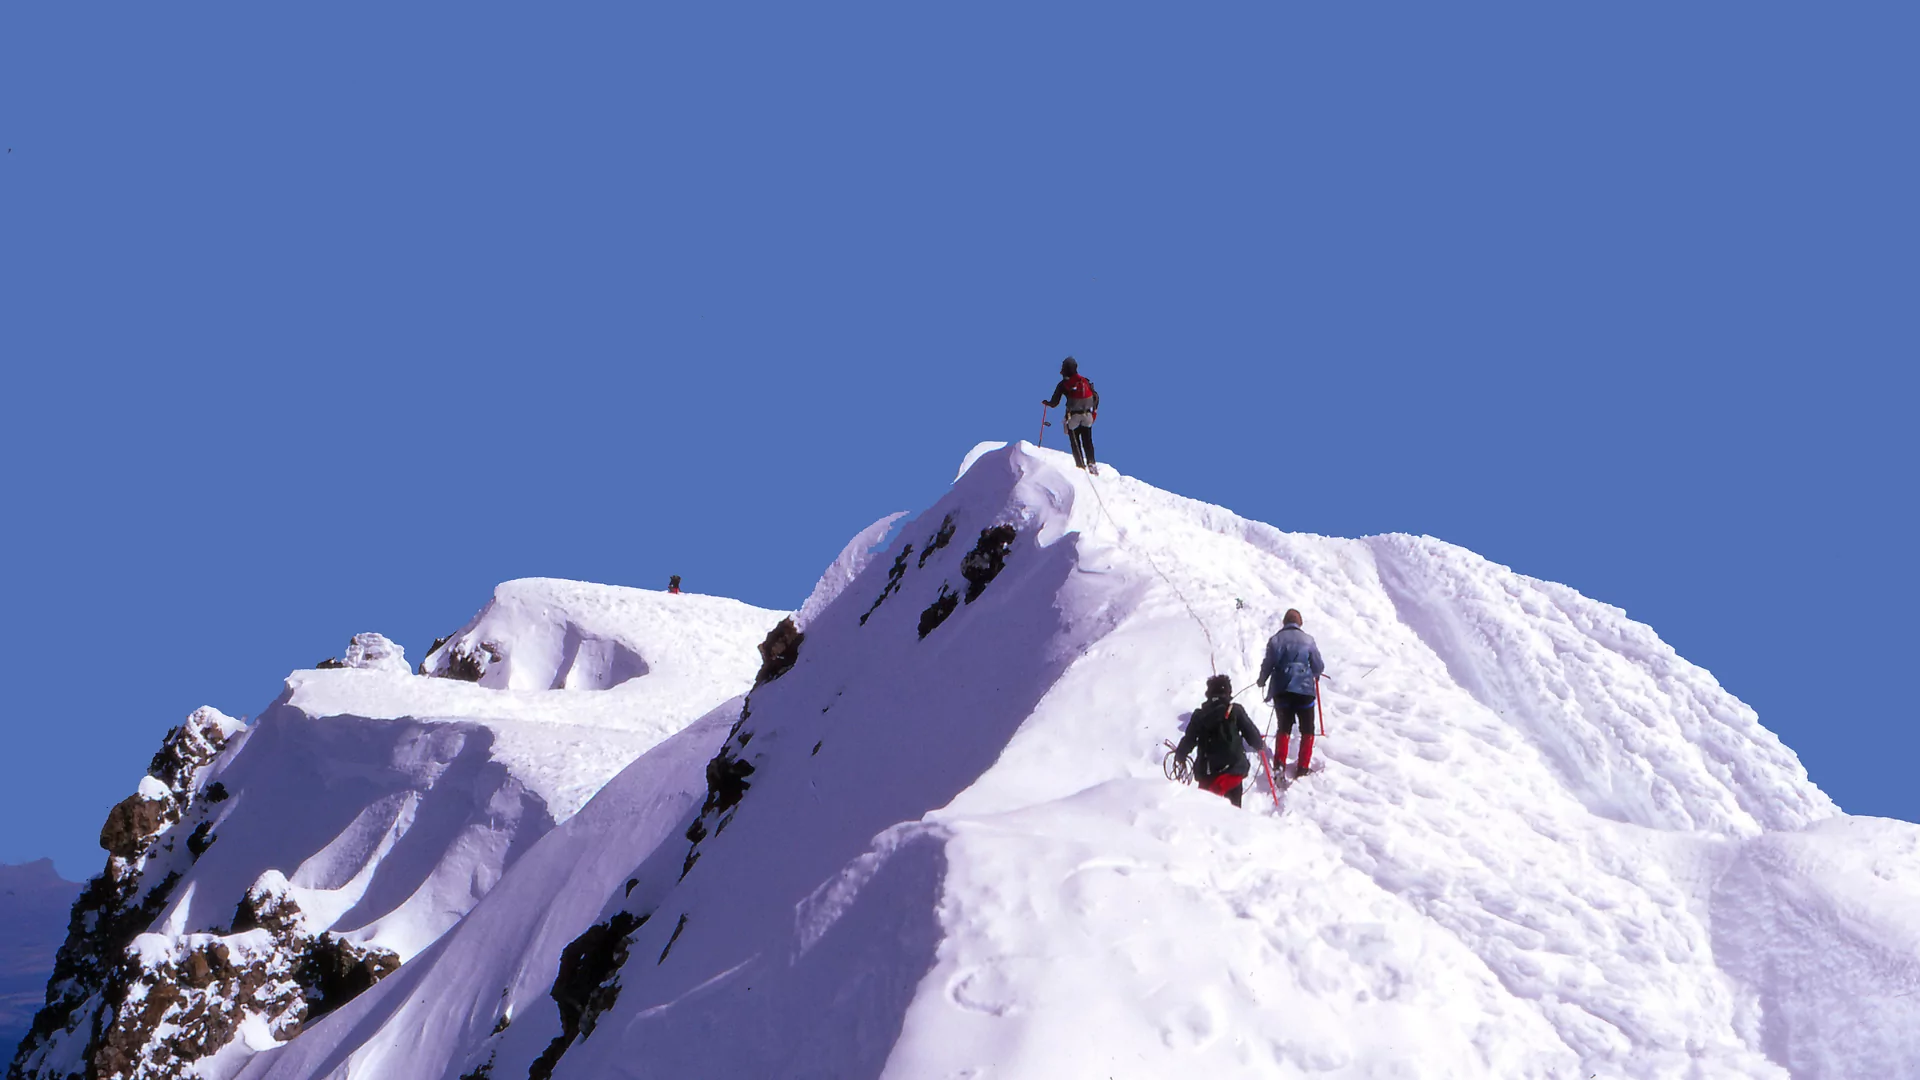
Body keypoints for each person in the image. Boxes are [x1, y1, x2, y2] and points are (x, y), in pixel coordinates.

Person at [1174, 674, 1268, 807]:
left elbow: (1189, 740)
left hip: (1208, 775)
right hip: (1233, 772)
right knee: (1234, 812)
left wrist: (1180, 755)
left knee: (1209, 815)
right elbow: (1251, 734)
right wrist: (1259, 745)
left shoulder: (1199, 715)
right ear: (1228, 692)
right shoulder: (1235, 710)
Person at [1257, 609, 1326, 780]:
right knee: (1307, 729)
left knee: (1284, 727)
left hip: (1282, 689)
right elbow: (1318, 665)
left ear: (1284, 622)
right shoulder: (1309, 640)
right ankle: (1302, 767)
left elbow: (1268, 664)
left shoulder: (1275, 640)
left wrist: (1262, 680)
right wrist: (1314, 673)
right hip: (1304, 690)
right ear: (1299, 622)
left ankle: (1279, 763)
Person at [1041, 357, 1100, 471]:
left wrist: (1046, 403)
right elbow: (1096, 397)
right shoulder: (1084, 381)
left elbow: (1054, 403)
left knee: (1075, 441)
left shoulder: (1063, 384)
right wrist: (1094, 413)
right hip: (1088, 415)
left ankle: (1080, 466)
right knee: (1087, 439)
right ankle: (1091, 463)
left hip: (1073, 417)